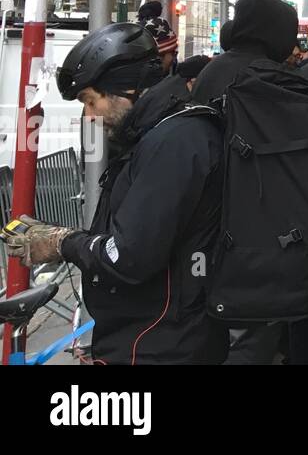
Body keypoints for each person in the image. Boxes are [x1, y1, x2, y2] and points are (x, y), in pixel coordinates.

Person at [3, 23, 227, 364]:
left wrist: (62, 242)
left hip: (158, 344)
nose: (90, 116)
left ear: (127, 90)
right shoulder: (162, 134)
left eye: (91, 102)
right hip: (152, 337)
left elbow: (128, 256)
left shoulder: (173, 141)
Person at [190, 0, 305, 365]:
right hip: (259, 219)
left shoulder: (213, 70)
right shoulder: (269, 76)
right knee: (254, 332)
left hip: (209, 213)